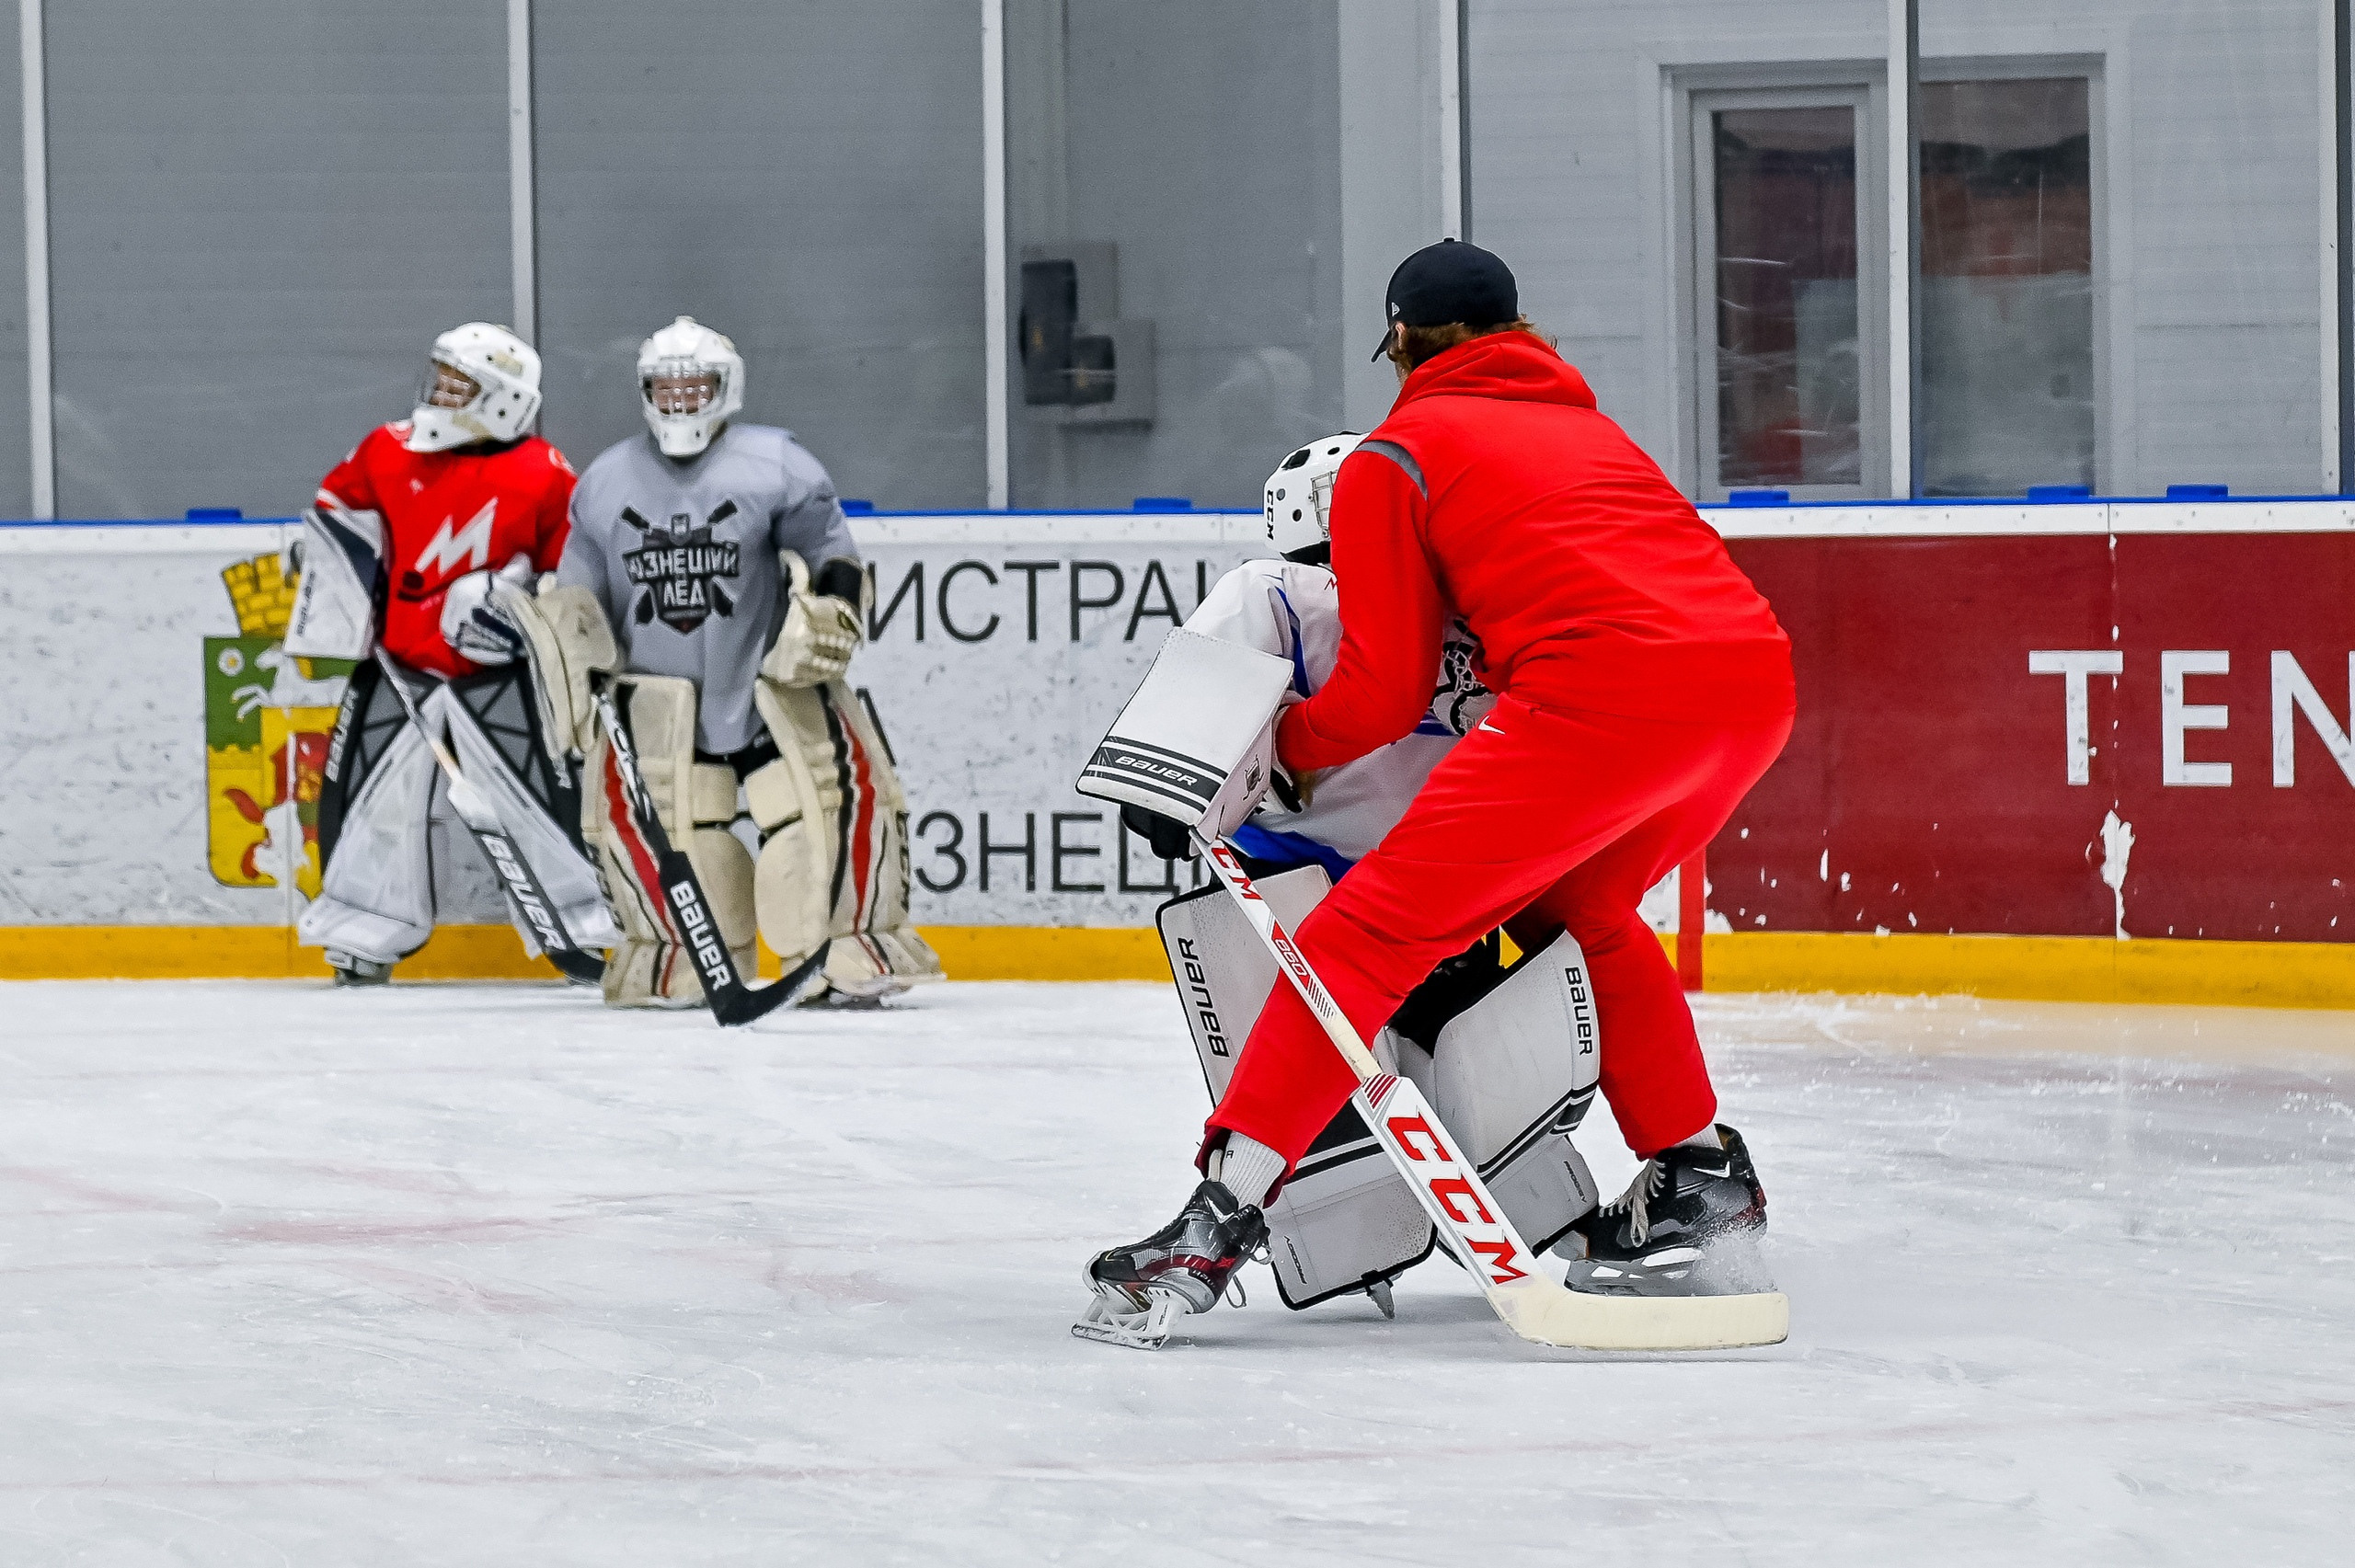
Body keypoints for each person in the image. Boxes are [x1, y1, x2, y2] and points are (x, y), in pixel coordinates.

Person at [1084, 240, 1795, 1326]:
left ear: (1403, 340)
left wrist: (1279, 753)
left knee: (1355, 942)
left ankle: (1213, 1223)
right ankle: (1696, 1174)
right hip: (1750, 687)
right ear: (1517, 331)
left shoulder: (1396, 456)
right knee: (1589, 907)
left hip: (1598, 701)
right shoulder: (1591, 431)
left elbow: (1378, 693)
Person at [504, 315, 939, 1009]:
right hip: (656, 710)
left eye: (694, 386)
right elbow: (579, 596)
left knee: (817, 814)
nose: (680, 401)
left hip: (769, 692)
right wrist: (572, 657)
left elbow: (832, 554)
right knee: (674, 829)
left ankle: (841, 950)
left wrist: (829, 612)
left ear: (725, 387)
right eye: (665, 389)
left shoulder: (777, 463)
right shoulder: (605, 482)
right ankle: (678, 958)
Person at [289, 322, 606, 986]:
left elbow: (568, 580)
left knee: (545, 802)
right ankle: (359, 930)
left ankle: (586, 924)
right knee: (366, 801)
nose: (439, 394)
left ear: (503, 399)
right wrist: (335, 565)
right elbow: (337, 512)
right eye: (440, 378)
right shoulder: (388, 447)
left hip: (496, 676)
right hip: (396, 666)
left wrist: (513, 601)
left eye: (459, 385)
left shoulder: (545, 474)